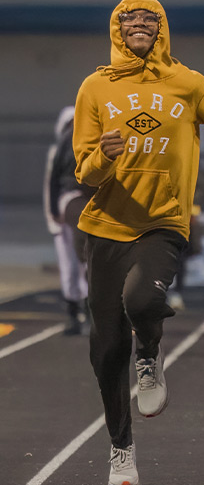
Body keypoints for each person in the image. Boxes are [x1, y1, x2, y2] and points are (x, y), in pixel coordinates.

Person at [73, 0, 204, 485]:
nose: (139, 23)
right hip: (107, 226)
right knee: (105, 348)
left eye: (149, 18)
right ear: (117, 27)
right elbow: (85, 171)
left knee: (141, 300)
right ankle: (121, 448)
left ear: (161, 28)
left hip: (164, 219)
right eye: (129, 18)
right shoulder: (94, 87)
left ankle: (149, 354)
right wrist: (105, 156)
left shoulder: (189, 83)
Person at [45, 106, 93, 335]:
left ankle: (89, 310)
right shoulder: (60, 151)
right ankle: (75, 313)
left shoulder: (90, 143)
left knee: (84, 260)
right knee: (69, 266)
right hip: (65, 212)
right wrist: (53, 214)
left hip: (77, 208)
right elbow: (52, 183)